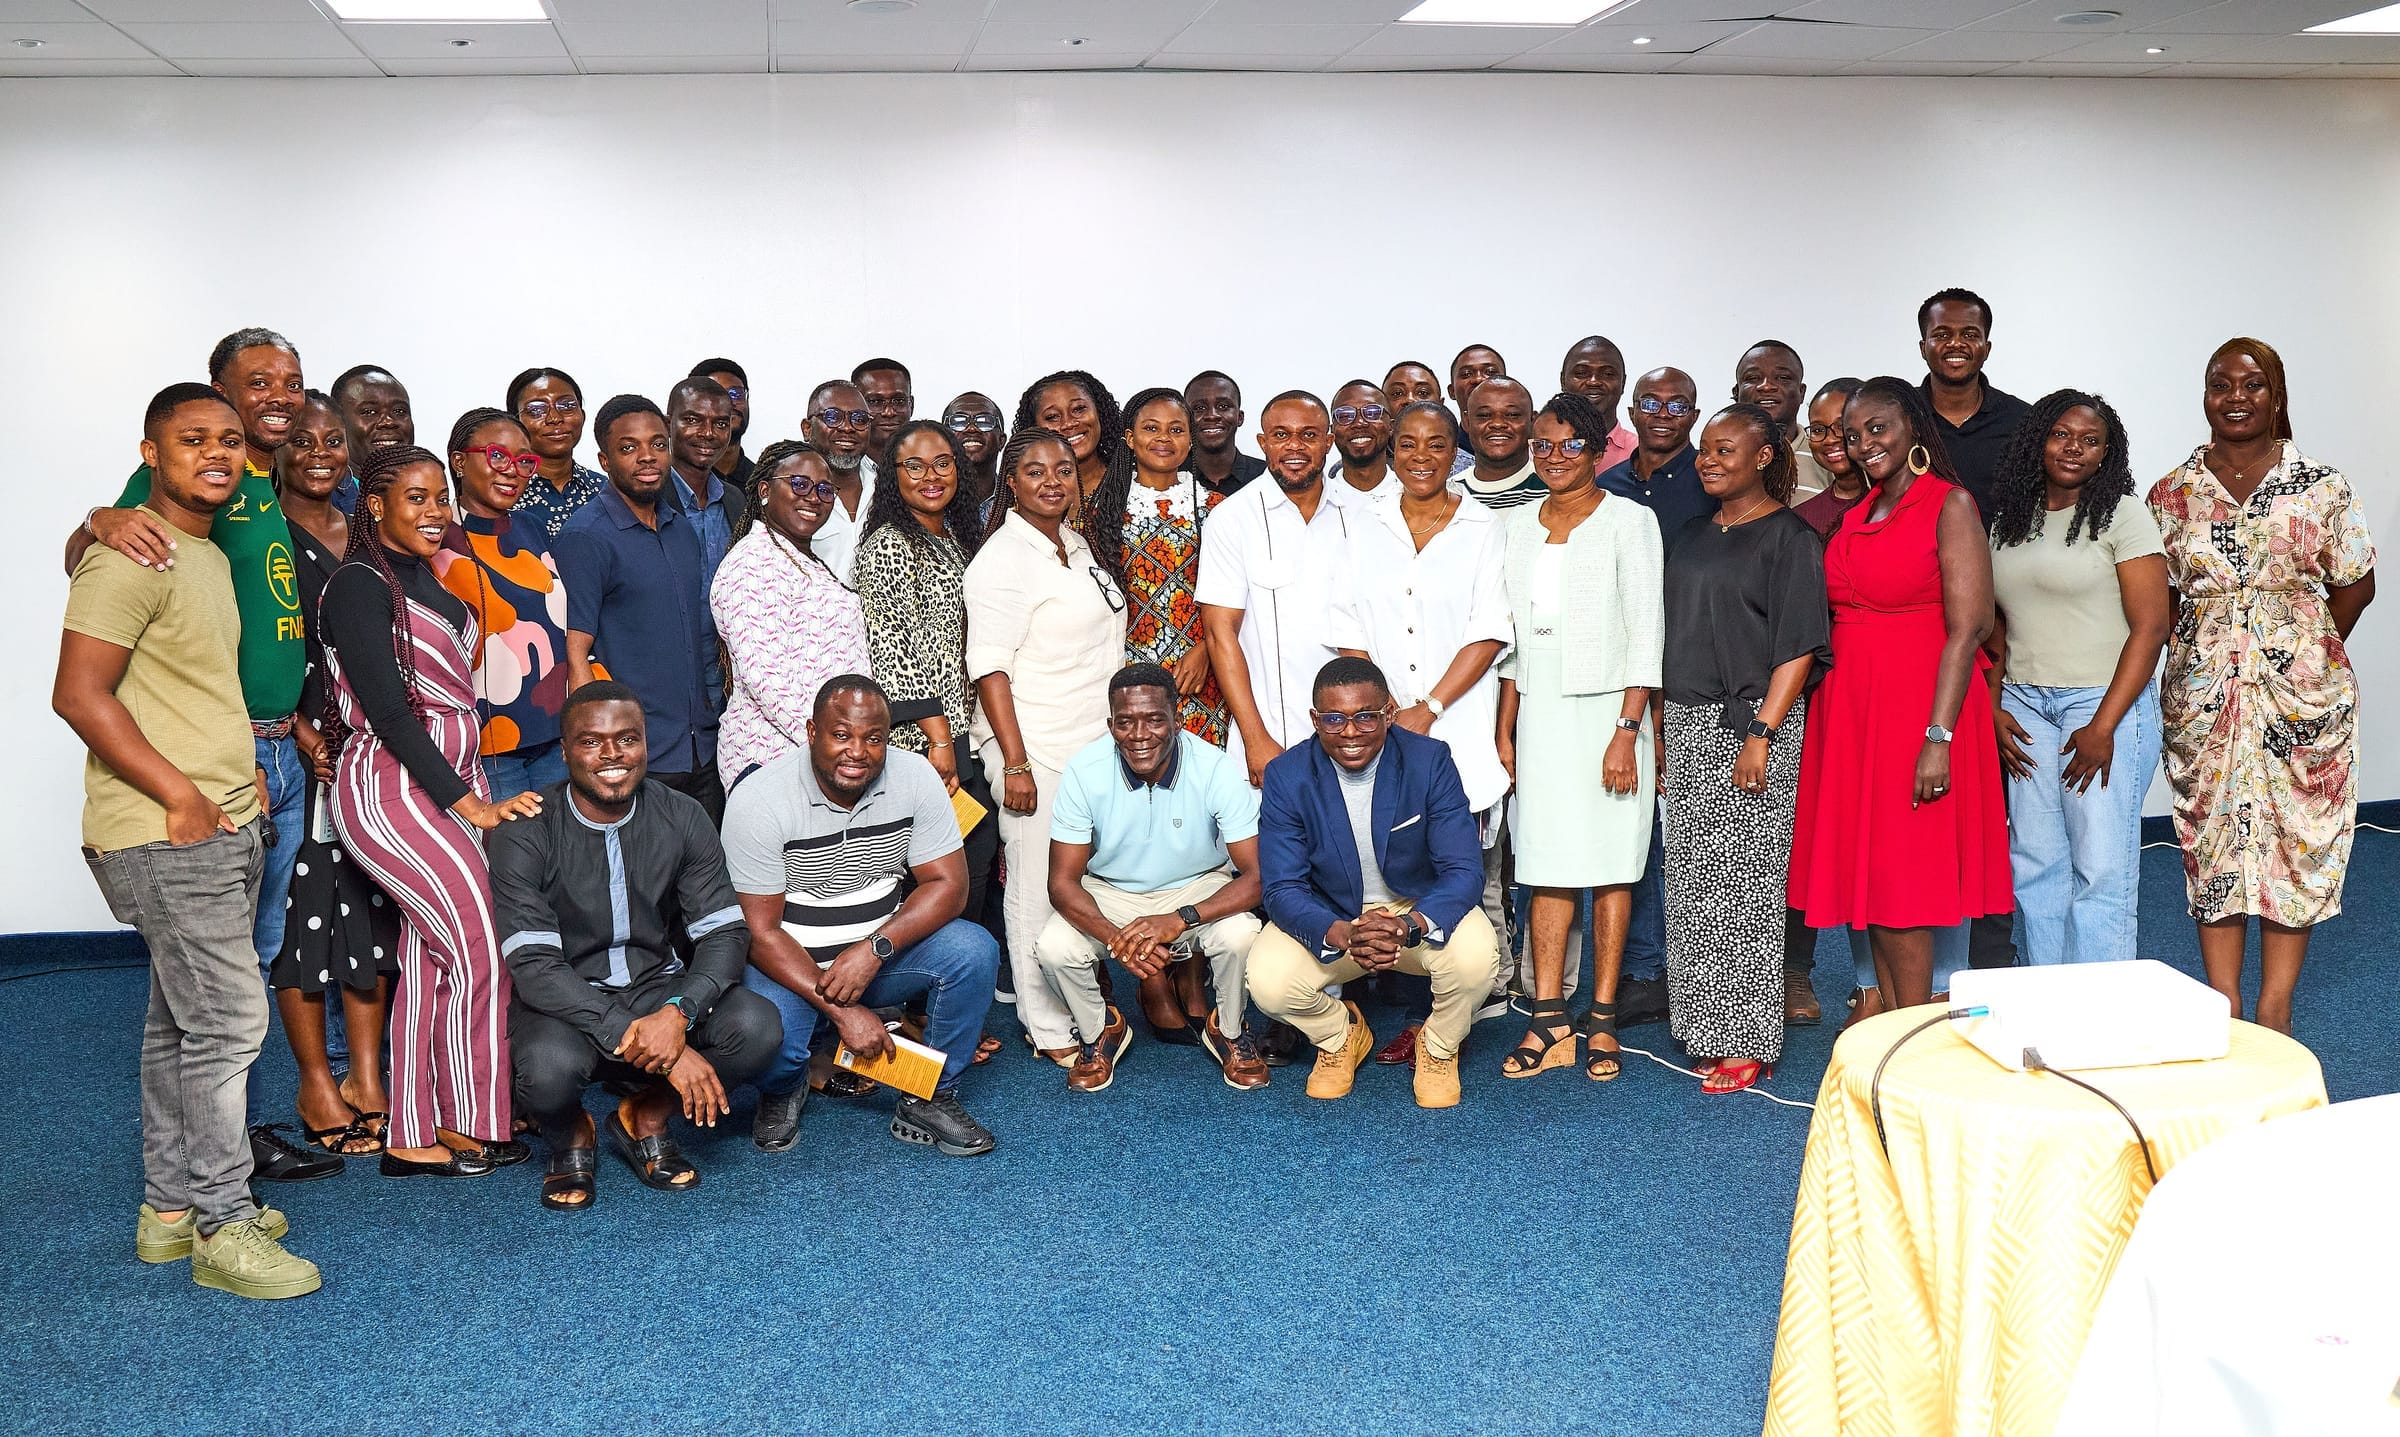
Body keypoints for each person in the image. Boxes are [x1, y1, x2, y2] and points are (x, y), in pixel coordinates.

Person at [56, 383, 319, 1298]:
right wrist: (180, 795)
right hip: (168, 830)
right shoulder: (126, 555)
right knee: (230, 1021)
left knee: (179, 1023)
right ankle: (223, 1221)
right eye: (192, 438)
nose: (215, 452)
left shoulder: (200, 553)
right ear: (150, 452)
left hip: (222, 817)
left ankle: (169, 1211)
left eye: (230, 440)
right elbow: (78, 694)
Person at [320, 444, 543, 1178]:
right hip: (388, 788)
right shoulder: (357, 583)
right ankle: (470, 1117)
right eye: (414, 497)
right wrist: (468, 802)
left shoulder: (426, 575)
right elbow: (386, 708)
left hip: (442, 781)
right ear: (374, 504)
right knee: (477, 939)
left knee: (430, 953)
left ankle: (421, 1129)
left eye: (440, 497)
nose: (434, 510)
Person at [2147, 338, 2376, 1032]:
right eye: (2222, 384)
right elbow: (2157, 600)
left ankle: (2275, 1005)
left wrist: (2299, 654)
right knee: (2212, 841)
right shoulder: (2172, 493)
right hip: (2204, 702)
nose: (2237, 396)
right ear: (2205, 394)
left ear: (2276, 395)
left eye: (2253, 384)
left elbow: (2356, 584)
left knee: (2293, 844)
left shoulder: (2322, 486)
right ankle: (2225, 1000)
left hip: (2303, 705)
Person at [490, 681, 783, 1209]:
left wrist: (679, 1011)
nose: (612, 756)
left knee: (759, 1027)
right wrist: (654, 1046)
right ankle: (571, 1136)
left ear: (646, 744)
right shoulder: (525, 828)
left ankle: (643, 1116)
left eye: (627, 739)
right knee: (545, 1072)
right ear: (564, 750)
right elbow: (533, 965)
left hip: (655, 988)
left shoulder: (683, 814)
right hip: (566, 1002)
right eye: (591, 741)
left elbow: (724, 933)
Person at [1790, 377, 2012, 1012]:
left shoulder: (1949, 505)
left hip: (1920, 712)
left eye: (1878, 429)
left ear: (1913, 425)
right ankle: (1893, 1023)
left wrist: (1937, 738)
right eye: (1853, 436)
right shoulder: (1859, 513)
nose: (1864, 446)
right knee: (1880, 891)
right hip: (1856, 714)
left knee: (1905, 886)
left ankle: (1910, 1037)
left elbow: (1970, 628)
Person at [724, 676, 1002, 1157]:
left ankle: (930, 1098)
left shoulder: (914, 777)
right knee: (767, 1043)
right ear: (812, 732)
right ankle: (789, 1082)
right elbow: (759, 931)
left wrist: (874, 951)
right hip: (791, 962)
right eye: (841, 735)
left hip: (876, 952)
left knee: (973, 951)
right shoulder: (759, 799)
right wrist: (842, 1010)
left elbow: (949, 887)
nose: (857, 751)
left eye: (873, 738)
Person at [1330, 399, 1516, 1063]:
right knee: (1396, 862)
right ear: (1389, 445)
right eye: (1407, 443)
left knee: (1469, 870)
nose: (1419, 457)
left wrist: (1428, 704)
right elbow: (1348, 625)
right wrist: (1385, 708)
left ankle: (1464, 1012)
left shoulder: (1480, 526)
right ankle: (1414, 999)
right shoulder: (1362, 523)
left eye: (1436, 445)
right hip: (1379, 728)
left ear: (1453, 450)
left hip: (1455, 724)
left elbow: (1489, 629)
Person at [1659, 404, 1829, 1093]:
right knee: (1695, 882)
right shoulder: (1695, 533)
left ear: (1764, 456)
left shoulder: (1789, 538)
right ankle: (1703, 1024)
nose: (1708, 459)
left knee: (1747, 887)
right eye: (1704, 449)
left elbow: (1800, 646)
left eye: (1725, 449)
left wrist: (1762, 733)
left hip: (1752, 727)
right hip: (1685, 721)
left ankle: (1748, 1035)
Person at [1495, 392, 1664, 1084]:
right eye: (1543, 445)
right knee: (1542, 861)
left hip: (1608, 714)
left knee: (1610, 863)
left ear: (1598, 451)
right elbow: (1505, 641)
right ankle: (1548, 1014)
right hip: (1539, 710)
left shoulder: (1631, 520)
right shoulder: (1516, 526)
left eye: (1569, 445)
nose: (1554, 457)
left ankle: (1600, 1015)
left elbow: (1647, 633)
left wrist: (1626, 730)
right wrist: (1505, 728)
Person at [1247, 657, 1501, 1109]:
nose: (1350, 732)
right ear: (1315, 720)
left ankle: (1439, 1047)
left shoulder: (1429, 761)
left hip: (1414, 910)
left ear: (1388, 712)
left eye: (1365, 716)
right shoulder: (1287, 775)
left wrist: (1410, 926)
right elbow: (1282, 887)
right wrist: (1343, 932)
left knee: (1478, 959)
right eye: (1334, 718)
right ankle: (1340, 1036)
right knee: (1268, 981)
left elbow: (1463, 870)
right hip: (1334, 917)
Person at [1985, 390, 2170, 968]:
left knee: (2101, 866)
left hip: (2102, 706)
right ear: (2037, 438)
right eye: (2062, 434)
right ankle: (2047, 998)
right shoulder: (2012, 517)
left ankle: (2100, 1015)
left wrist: (2104, 725)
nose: (2074, 449)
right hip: (2025, 706)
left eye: (2091, 441)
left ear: (2107, 453)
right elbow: (1994, 626)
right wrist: (1992, 704)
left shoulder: (2124, 514)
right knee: (2036, 865)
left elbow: (2151, 627)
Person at [966, 427, 1125, 1063]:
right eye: (1036, 471)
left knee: (1075, 882)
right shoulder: (1003, 560)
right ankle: (1048, 1026)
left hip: (1089, 744)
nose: (1053, 481)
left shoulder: (1074, 544)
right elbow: (990, 670)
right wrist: (1015, 762)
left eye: (1064, 469)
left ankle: (1075, 999)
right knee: (1034, 889)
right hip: (1036, 749)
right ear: (1011, 481)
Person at [1034, 664, 1269, 1091]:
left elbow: (1256, 878)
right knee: (1052, 948)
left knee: (1241, 936)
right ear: (1110, 725)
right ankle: (1100, 1030)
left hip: (1199, 885)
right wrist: (1115, 939)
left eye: (1154, 719)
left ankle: (1231, 1030)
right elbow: (1062, 883)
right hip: (1112, 891)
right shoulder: (1084, 771)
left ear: (1177, 720)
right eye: (1125, 722)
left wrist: (1182, 917)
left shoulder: (1214, 768)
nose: (1139, 734)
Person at [272, 391, 398, 1155]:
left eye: (334, 440)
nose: (320, 451)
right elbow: (244, 646)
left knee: (371, 909)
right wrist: (299, 725)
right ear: (278, 451)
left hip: (368, 740)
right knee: (303, 916)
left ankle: (369, 1076)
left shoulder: (363, 524)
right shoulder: (256, 531)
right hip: (302, 745)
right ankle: (316, 1079)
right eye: (304, 439)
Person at [854, 419, 1000, 941]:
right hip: (922, 740)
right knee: (935, 876)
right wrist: (940, 740)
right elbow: (894, 655)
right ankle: (924, 1004)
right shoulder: (890, 545)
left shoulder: (954, 541)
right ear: (893, 476)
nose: (930, 475)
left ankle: (957, 995)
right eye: (913, 465)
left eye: (942, 462)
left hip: (963, 731)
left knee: (972, 862)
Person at [556, 395, 722, 823]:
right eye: (629, 448)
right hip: (638, 750)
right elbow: (577, 651)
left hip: (700, 743)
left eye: (658, 444)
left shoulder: (680, 527)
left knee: (705, 877)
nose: (647, 457)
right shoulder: (587, 536)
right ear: (604, 460)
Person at [1197, 391, 1353, 785]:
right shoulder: (1232, 519)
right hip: (1273, 741)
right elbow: (1220, 636)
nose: (1295, 446)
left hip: (1358, 741)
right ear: (1263, 443)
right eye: (1281, 435)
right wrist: (1255, 739)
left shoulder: (1362, 515)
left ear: (1329, 442)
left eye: (1309, 435)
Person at [430, 408, 580, 796]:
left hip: (553, 734)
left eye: (524, 461)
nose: (512, 470)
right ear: (459, 462)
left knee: (562, 852)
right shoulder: (433, 539)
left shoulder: (532, 526)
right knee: (509, 854)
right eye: (498, 455)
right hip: (486, 744)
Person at [712, 438, 867, 788]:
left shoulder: (807, 560)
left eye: (825, 489)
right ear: (765, 490)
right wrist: (837, 747)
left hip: (826, 755)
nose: (813, 497)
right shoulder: (751, 564)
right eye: (799, 484)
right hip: (775, 759)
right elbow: (767, 680)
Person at [1088, 387, 1227, 744]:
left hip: (1200, 672)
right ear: (1130, 439)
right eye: (1151, 428)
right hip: (1126, 671)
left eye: (1177, 429)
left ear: (1191, 440)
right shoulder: (1098, 511)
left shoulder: (1220, 509)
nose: (1164, 438)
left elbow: (1237, 595)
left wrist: (1207, 651)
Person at [1917, 287, 2034, 522]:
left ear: (1986, 348)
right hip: (1910, 558)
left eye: (1969, 335)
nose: (1955, 344)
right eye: (1941, 335)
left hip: (1999, 558)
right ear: (1923, 348)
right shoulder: (1898, 416)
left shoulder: (2024, 421)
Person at [1599, 366, 1710, 555]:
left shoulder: (1711, 481)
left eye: (1678, 406)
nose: (1663, 414)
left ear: (1694, 417)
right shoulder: (1605, 486)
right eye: (1650, 404)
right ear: (1632, 413)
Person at [1014, 369, 1122, 547]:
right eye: (1052, 417)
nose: (1068, 423)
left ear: (1100, 413)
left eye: (1079, 409)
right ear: (1034, 428)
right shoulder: (1022, 498)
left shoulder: (1133, 487)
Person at [507, 366, 609, 540]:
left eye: (567, 406)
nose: (554, 418)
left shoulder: (605, 489)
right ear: (515, 423)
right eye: (536, 410)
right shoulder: (504, 490)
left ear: (582, 416)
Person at [1734, 340, 1830, 499]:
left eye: (1783, 377)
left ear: (1801, 392)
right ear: (1737, 392)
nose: (1766, 386)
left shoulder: (1827, 455)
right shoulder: (1717, 459)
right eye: (1753, 378)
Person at [803, 378, 878, 581]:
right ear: (807, 428)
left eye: (860, 419)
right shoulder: (790, 494)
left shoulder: (887, 486)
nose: (847, 428)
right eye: (833, 417)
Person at [1794, 377, 1868, 541]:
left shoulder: (1900, 501)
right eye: (1818, 430)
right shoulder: (1801, 519)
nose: (1829, 439)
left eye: (1841, 426)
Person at [1458, 375, 1541, 510]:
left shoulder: (1555, 490)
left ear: (1533, 421)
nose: (1497, 424)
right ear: (1467, 422)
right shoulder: (1450, 492)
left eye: (1512, 415)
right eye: (1484, 415)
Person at [1559, 335, 1638, 473]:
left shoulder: (1640, 452)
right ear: (1563, 381)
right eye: (1581, 373)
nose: (1593, 382)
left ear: (1623, 383)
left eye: (1607, 374)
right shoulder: (1538, 452)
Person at [1184, 369, 1266, 498]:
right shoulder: (1168, 476)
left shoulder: (1266, 477)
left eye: (1223, 406)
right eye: (1199, 408)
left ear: (1240, 417)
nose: (1212, 416)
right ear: (1185, 419)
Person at [331, 364, 414, 479]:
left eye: (399, 410)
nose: (388, 422)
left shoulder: (431, 490)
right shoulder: (325, 495)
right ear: (338, 423)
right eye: (369, 412)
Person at [1324, 379, 1396, 505]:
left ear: (1391, 426)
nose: (1359, 423)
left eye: (1372, 413)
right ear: (1332, 431)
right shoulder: (1320, 500)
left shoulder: (1414, 494)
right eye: (1345, 416)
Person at [690, 358, 755, 492]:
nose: (729, 402)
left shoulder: (762, 480)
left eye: (736, 394)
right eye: (716, 394)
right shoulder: (675, 479)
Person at [943, 390, 1007, 522]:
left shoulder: (1019, 499)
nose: (971, 428)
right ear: (943, 439)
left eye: (984, 422)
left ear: (1001, 441)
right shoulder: (929, 498)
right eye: (959, 421)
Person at [854, 357, 914, 454]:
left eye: (898, 401)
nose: (889, 412)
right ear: (855, 407)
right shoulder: (830, 466)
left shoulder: (931, 463)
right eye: (875, 401)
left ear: (911, 405)